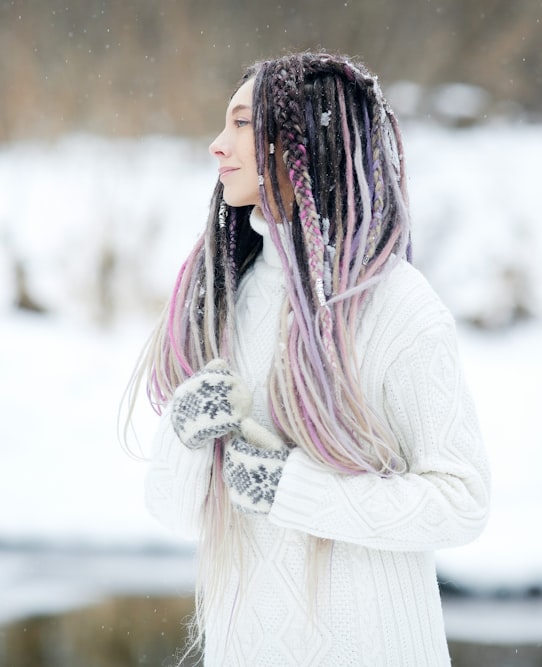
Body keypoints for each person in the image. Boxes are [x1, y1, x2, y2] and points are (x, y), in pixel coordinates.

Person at [131, 52, 490, 666]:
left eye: (242, 124)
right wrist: (186, 428)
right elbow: (172, 511)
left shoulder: (396, 306)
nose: (218, 146)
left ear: (304, 140)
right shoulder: (227, 296)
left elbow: (462, 503)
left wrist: (290, 489)